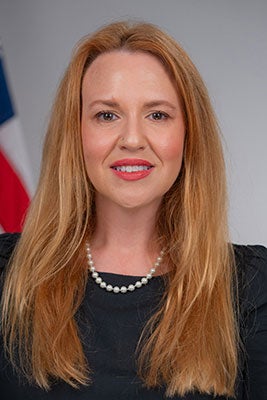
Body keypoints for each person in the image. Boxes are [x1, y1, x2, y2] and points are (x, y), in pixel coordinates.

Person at [0, 21, 266, 400]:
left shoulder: (251, 287)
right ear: (75, 134)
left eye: (157, 115)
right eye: (107, 115)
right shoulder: (7, 274)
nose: (132, 139)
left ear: (189, 134)